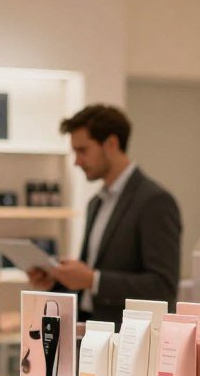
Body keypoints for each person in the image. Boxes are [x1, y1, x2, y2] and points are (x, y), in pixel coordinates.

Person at [30, 104, 182, 318]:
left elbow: (162, 287)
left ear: (111, 144)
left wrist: (93, 279)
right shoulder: (96, 202)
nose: (76, 161)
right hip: (89, 333)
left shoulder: (155, 201)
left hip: (129, 340)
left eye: (82, 151)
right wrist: (56, 281)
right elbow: (90, 285)